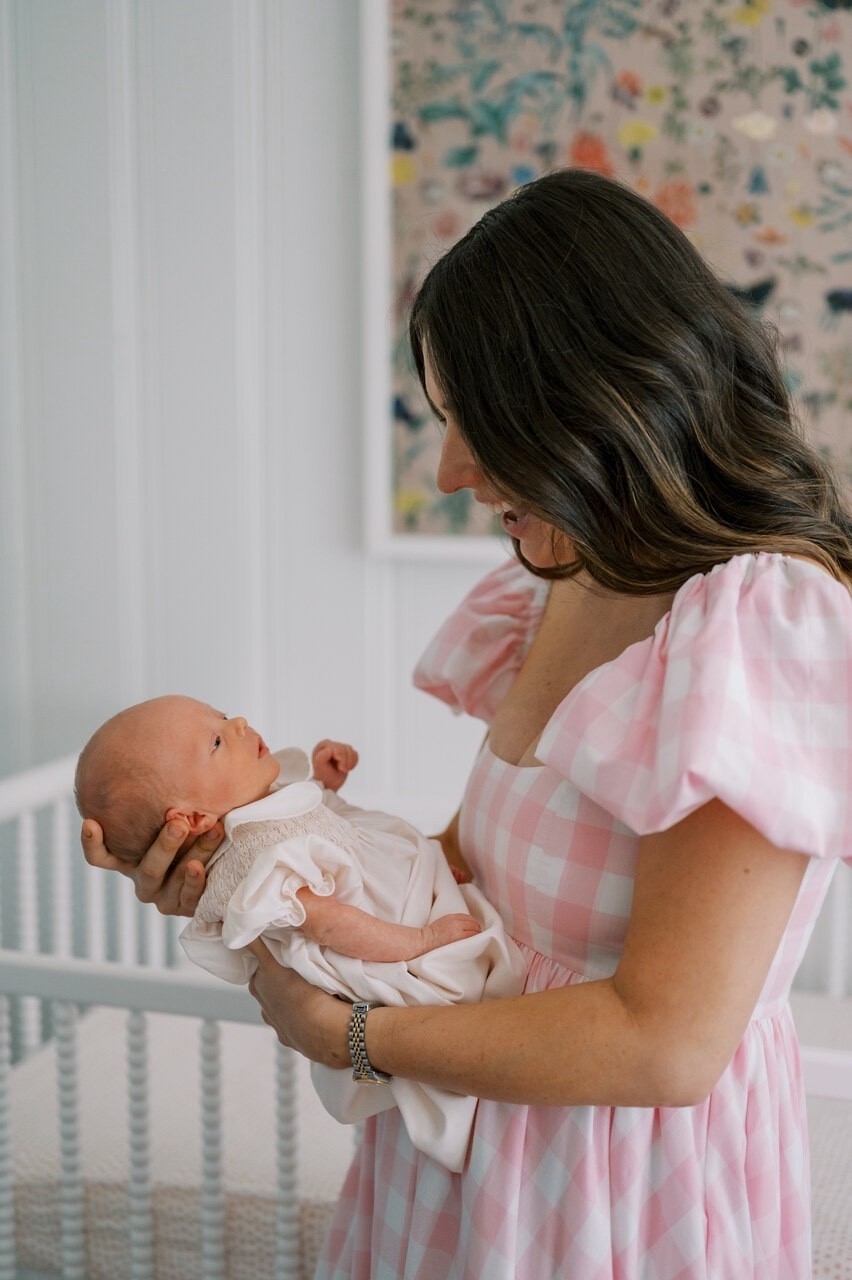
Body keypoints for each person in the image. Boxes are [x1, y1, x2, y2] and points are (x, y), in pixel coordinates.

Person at [82, 168, 852, 1279]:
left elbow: (665, 1041)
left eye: (475, 422)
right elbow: (471, 873)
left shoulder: (753, 622)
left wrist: (347, 1033)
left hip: (614, 1179)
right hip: (462, 1140)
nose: (450, 471)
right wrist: (247, 859)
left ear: (597, 395)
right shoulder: (575, 574)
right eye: (446, 421)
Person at [75, 695, 525, 1169]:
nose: (241, 724)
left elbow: (322, 824)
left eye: (224, 716)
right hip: (378, 940)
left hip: (377, 904)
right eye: (216, 740)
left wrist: (324, 785)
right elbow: (332, 925)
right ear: (191, 820)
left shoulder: (257, 810)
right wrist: (421, 940)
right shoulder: (255, 860)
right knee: (442, 966)